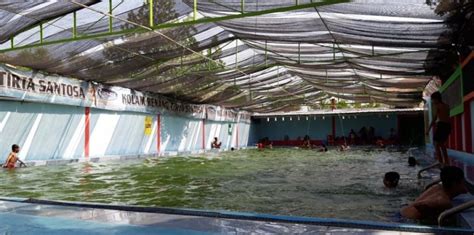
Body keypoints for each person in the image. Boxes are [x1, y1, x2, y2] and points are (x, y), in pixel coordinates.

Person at [400, 166, 468, 223]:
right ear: (455, 184)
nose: (465, 183)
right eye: (463, 181)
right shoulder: (443, 201)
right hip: (405, 220)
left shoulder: (437, 187)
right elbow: (419, 205)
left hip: (402, 213)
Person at [426, 91, 451, 166]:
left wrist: (428, 129)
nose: (432, 101)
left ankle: (440, 161)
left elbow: (434, 119)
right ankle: (446, 161)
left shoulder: (438, 106)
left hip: (442, 125)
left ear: (436, 99)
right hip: (448, 126)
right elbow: (447, 117)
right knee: (442, 144)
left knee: (436, 144)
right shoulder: (447, 106)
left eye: (433, 99)